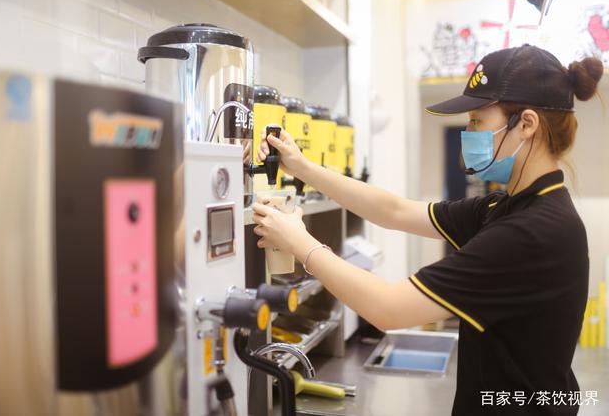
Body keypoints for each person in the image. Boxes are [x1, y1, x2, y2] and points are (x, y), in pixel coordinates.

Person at [252, 44, 603, 415]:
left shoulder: (532, 232)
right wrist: (303, 167)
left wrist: (301, 243)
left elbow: (389, 308)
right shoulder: (508, 207)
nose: (468, 133)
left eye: (476, 121)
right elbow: (395, 211)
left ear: (526, 124)